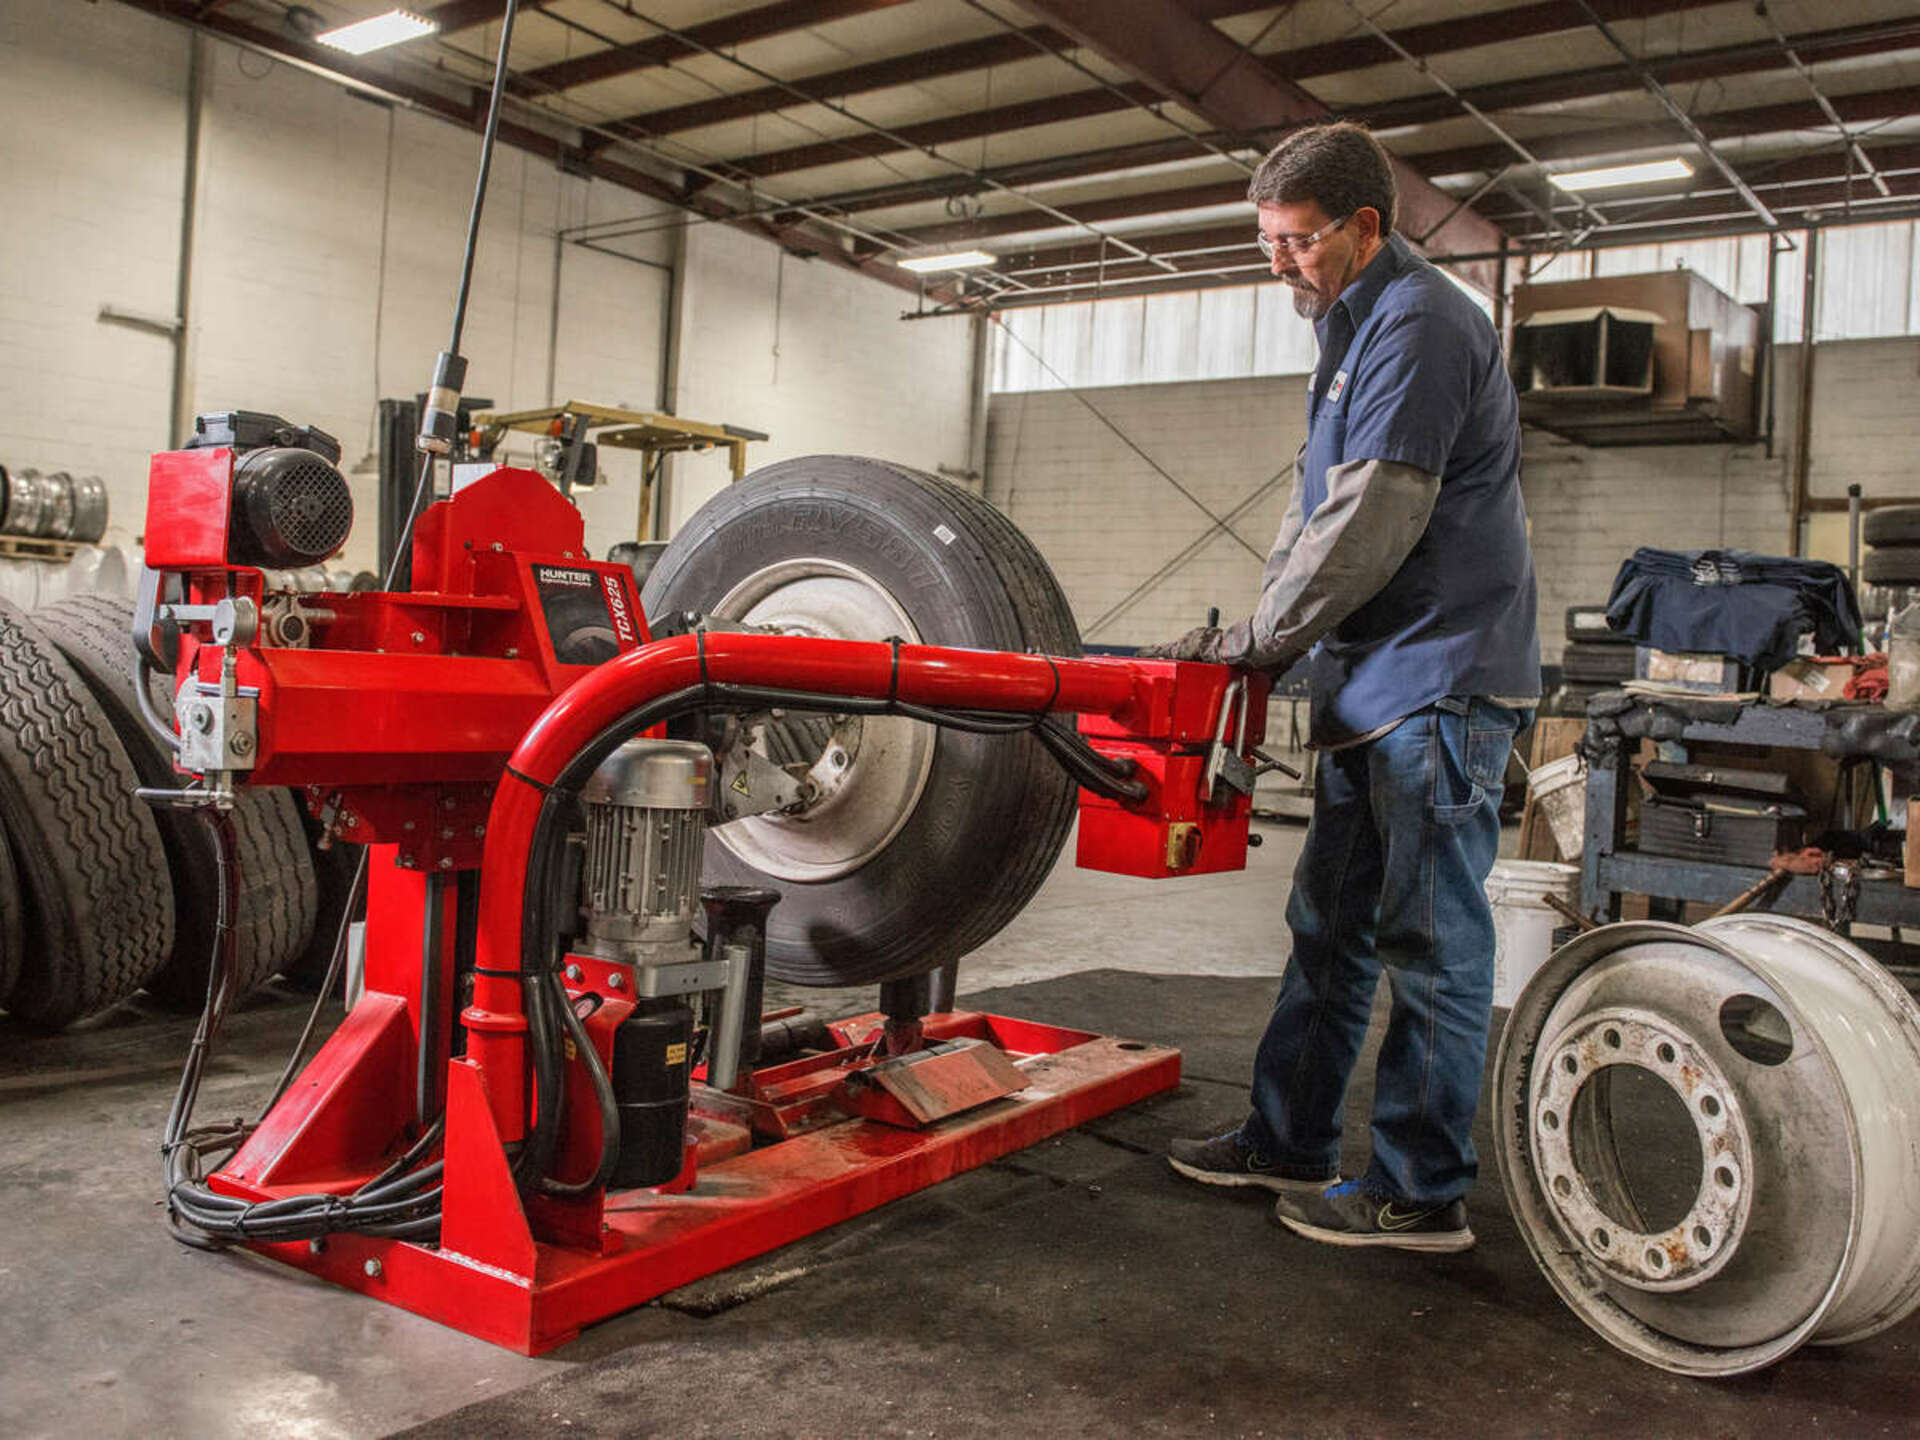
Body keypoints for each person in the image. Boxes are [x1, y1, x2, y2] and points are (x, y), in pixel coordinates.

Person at [1147, 121, 1539, 1253]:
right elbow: (1311, 507)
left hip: (1439, 681)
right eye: (1266, 241)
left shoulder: (1423, 323)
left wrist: (1264, 642)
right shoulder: (1347, 331)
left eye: (1299, 240)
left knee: (1430, 942)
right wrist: (1259, 636)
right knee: (1329, 926)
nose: (1279, 262)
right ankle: (1291, 1139)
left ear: (1366, 226)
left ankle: (1420, 1193)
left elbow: (1375, 513)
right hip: (1373, 685)